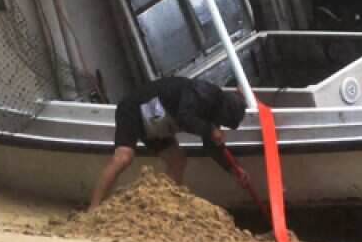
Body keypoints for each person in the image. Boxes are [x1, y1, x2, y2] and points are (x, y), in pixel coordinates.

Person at [89, 76, 246, 207]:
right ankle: (94, 208)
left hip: (158, 123)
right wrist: (210, 130)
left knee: (178, 161)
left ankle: (164, 206)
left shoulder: (214, 113)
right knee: (123, 157)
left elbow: (211, 146)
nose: (222, 126)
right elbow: (184, 117)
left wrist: (232, 168)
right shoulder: (202, 93)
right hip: (134, 109)